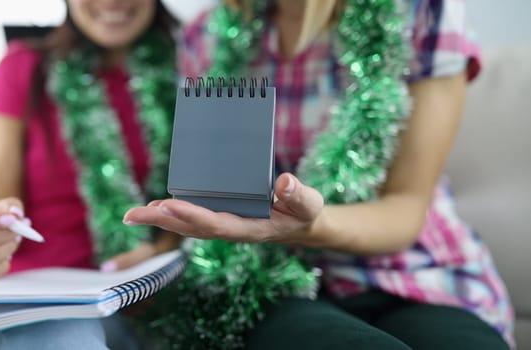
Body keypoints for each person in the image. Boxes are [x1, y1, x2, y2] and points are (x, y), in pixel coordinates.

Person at [124, 0, 515, 349]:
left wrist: (307, 224)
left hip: (418, 276)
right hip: (271, 279)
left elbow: (406, 207)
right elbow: (209, 192)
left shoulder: (421, 12)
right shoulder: (208, 35)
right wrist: (154, 260)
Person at [0, 0, 181, 349]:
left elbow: (203, 208)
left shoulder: (191, 70)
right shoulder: (24, 66)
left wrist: (160, 256)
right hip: (7, 291)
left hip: (116, 300)